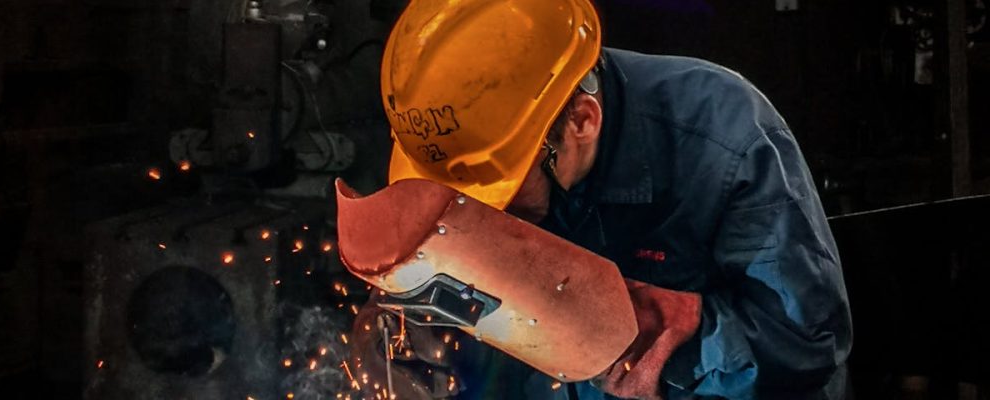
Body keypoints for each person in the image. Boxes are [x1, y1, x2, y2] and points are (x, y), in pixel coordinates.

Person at [349, 0, 852, 398]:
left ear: (581, 121)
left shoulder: (725, 138)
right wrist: (406, 329)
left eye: (501, 187)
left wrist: (655, 336)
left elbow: (807, 346)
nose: (486, 212)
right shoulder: (468, 144)